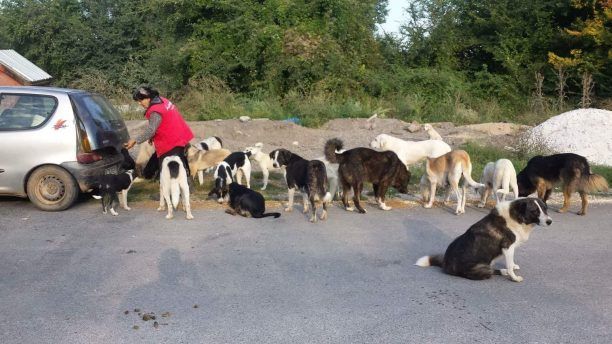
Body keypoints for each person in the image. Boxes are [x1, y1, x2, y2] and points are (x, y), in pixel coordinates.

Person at [124, 86, 194, 176]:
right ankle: (187, 186)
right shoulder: (162, 100)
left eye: (140, 100)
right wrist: (152, 137)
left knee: (169, 172)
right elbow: (162, 122)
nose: (139, 103)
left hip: (171, 141)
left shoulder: (155, 110)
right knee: (181, 165)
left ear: (148, 98)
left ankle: (181, 186)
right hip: (180, 134)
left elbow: (151, 130)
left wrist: (135, 140)